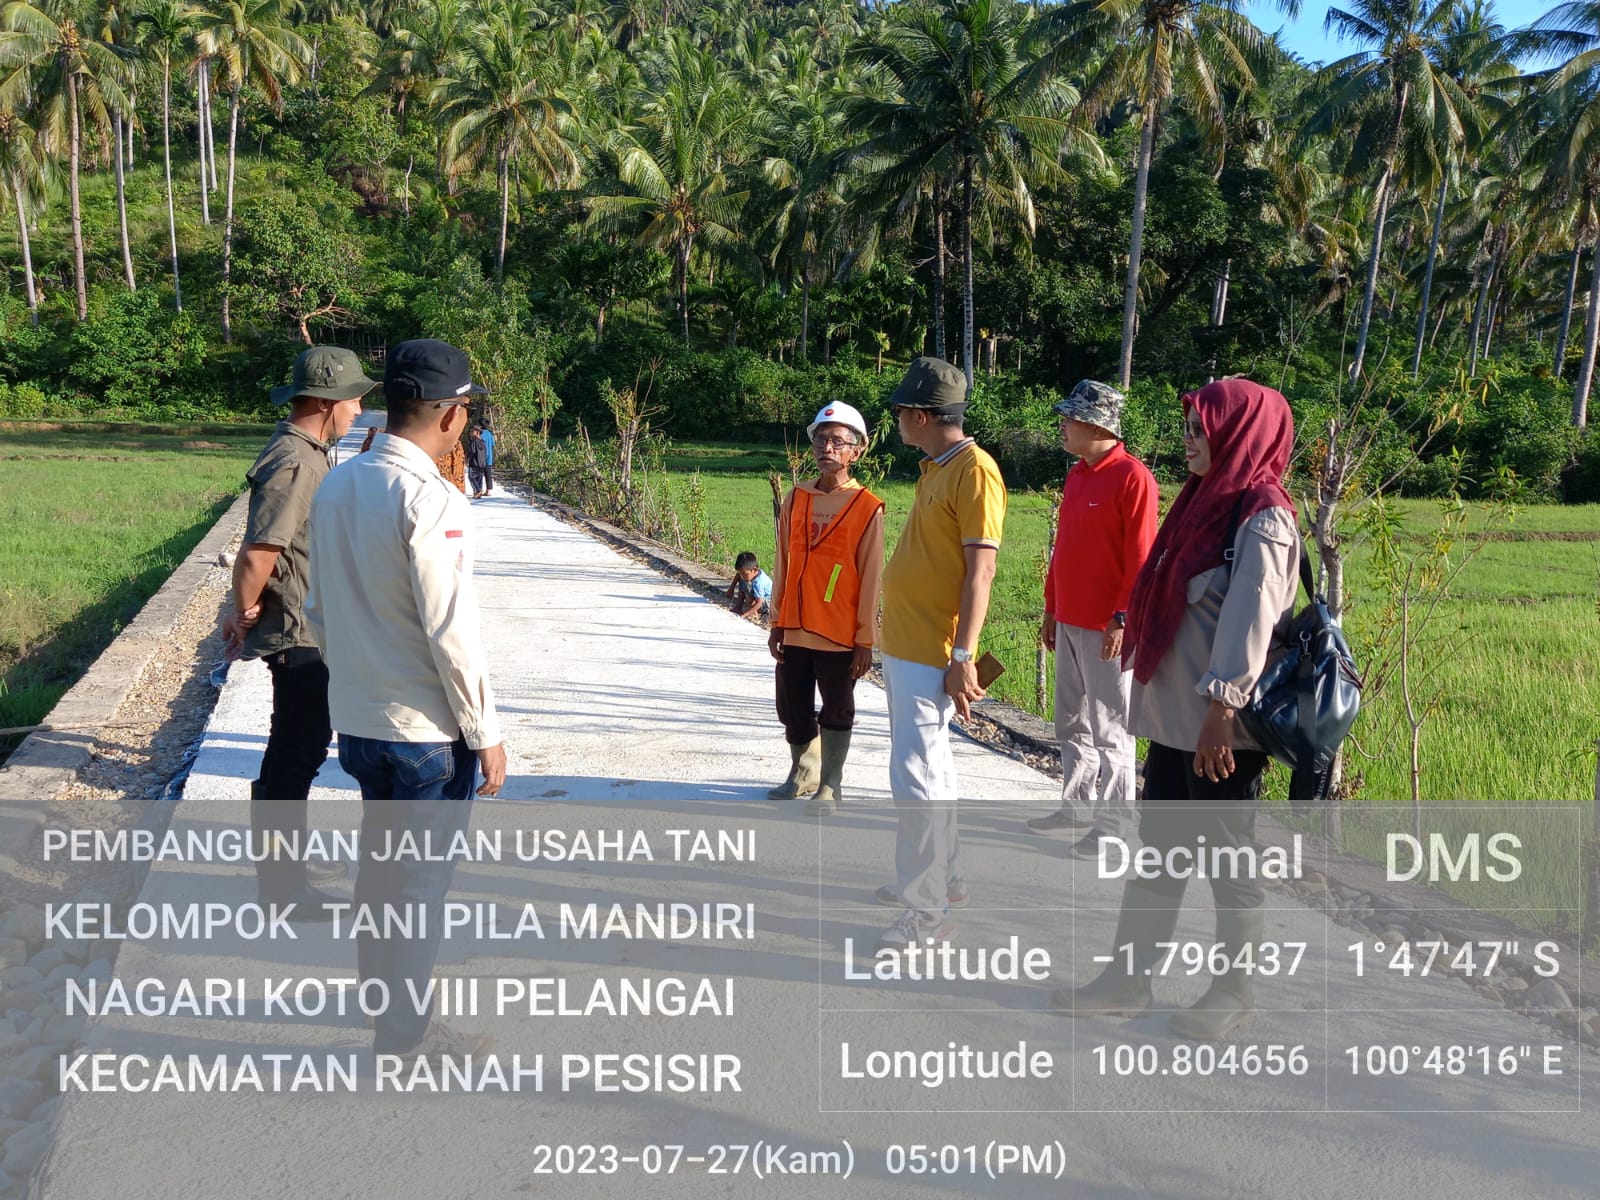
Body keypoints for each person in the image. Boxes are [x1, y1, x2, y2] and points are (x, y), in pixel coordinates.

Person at [1054, 378, 1301, 1042]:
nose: (1190, 440)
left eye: (1201, 428)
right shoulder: (1204, 504)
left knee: (1228, 859)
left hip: (1221, 729)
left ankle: (1233, 992)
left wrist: (1222, 711)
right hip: (1174, 723)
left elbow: (1251, 621)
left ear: (1240, 433)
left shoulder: (1262, 516)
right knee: (1159, 853)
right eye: (1189, 427)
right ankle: (1128, 982)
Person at [306, 337, 508, 1064]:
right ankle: (405, 1038)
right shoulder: (432, 499)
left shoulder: (337, 484)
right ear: (452, 416)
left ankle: (382, 1011)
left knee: (380, 873)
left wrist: (358, 682)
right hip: (426, 733)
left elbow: (318, 609)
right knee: (418, 887)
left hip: (360, 725)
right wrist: (485, 731)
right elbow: (451, 631)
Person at [222, 345, 377, 917]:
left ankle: (281, 880)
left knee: (294, 753)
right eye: (355, 398)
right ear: (326, 399)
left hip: (306, 622)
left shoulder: (309, 451)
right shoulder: (297, 459)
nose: (360, 409)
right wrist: (238, 615)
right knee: (294, 756)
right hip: (298, 632)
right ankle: (282, 891)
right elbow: (260, 549)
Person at [874, 357, 1007, 951]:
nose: (898, 420)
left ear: (923, 416)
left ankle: (925, 916)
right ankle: (945, 881)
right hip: (908, 646)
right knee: (935, 770)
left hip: (934, 651)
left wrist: (963, 655)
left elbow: (981, 573)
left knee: (916, 781)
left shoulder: (974, 472)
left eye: (902, 411)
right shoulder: (937, 468)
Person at [1029, 380, 1158, 859]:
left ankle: (1114, 823)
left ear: (1097, 423)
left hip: (1108, 627)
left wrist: (1122, 618)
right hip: (1069, 619)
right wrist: (1050, 607)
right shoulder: (1078, 475)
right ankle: (1076, 805)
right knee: (1070, 720)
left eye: (1070, 417)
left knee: (1111, 727)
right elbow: (1063, 548)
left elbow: (1140, 559)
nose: (1062, 425)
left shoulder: (1132, 477)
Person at [765, 402, 886, 815]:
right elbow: (782, 560)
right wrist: (776, 620)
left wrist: (865, 638)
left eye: (838, 441)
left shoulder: (867, 507)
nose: (827, 448)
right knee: (793, 705)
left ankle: (831, 783)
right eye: (820, 439)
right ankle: (802, 772)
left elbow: (871, 576)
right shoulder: (797, 498)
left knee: (836, 707)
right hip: (795, 626)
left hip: (837, 633)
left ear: (856, 451)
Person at [726, 551, 772, 622]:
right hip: (759, 598)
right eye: (741, 573)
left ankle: (754, 611)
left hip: (768, 602)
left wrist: (744, 615)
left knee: (746, 585)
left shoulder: (759, 583)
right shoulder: (749, 574)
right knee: (743, 583)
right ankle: (738, 607)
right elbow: (739, 575)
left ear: (754, 570)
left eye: (744, 574)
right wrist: (731, 588)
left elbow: (759, 602)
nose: (742, 576)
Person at [467, 425, 490, 499]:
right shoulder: (483, 442)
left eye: (472, 431)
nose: (471, 432)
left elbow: (472, 451)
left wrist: (466, 458)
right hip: (482, 463)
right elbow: (485, 453)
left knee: (471, 477)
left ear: (477, 432)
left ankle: (478, 490)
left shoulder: (474, 441)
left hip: (474, 462)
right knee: (479, 478)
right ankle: (477, 493)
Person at [479, 422, 496, 491]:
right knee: (488, 474)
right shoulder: (490, 434)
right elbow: (493, 444)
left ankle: (479, 489)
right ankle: (488, 490)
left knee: (479, 474)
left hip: (481, 457)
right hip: (489, 457)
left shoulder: (480, 434)